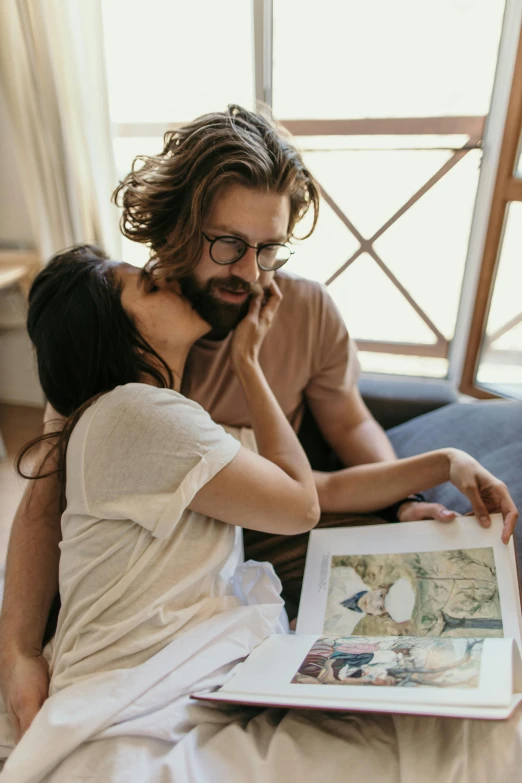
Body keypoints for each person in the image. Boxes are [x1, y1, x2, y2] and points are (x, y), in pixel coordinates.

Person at [0, 105, 518, 740]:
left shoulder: (302, 310)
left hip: (275, 522)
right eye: (228, 245)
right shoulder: (121, 327)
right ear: (176, 232)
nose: (249, 273)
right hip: (157, 559)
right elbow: (44, 497)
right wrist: (19, 650)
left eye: (268, 248)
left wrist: (406, 502)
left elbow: (346, 436)